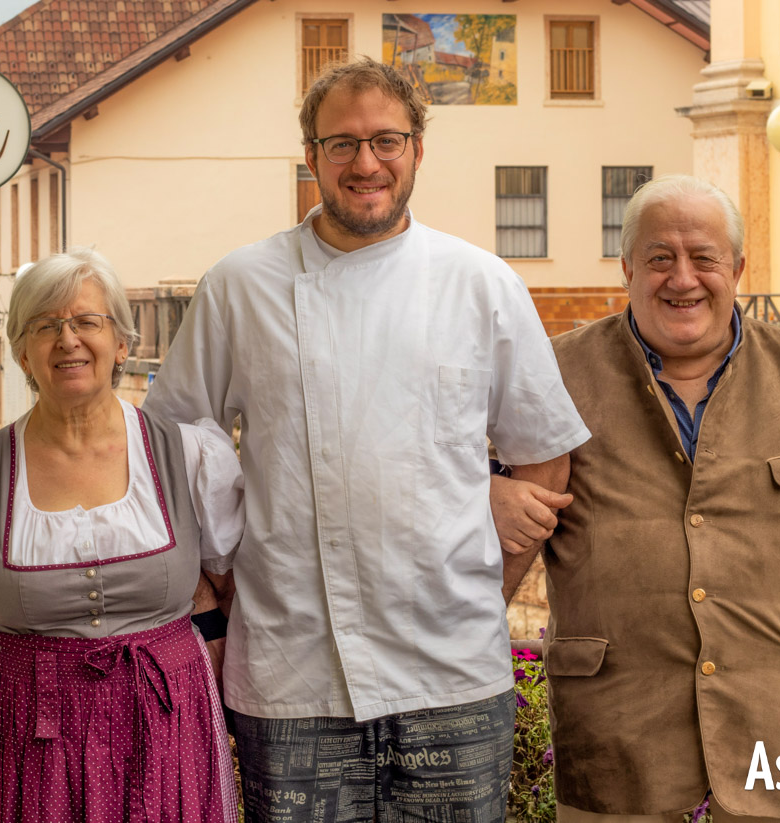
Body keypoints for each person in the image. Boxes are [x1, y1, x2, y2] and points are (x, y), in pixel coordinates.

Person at [144, 57, 590, 821]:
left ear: (418, 147)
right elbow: (170, 448)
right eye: (342, 144)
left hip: (453, 673)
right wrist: (209, 596)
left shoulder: (480, 284)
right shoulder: (242, 284)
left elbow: (544, 450)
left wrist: (490, 587)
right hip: (291, 676)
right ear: (310, 156)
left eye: (387, 139)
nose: (365, 162)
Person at [544, 175, 780, 822]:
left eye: (703, 257)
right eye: (659, 257)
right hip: (619, 740)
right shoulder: (556, 375)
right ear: (627, 267)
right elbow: (490, 508)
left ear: (738, 267)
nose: (682, 277)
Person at [0, 248, 243, 823]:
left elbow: (229, 598)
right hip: (23, 743)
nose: (67, 339)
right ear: (23, 353)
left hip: (168, 738)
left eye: (85, 322)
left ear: (121, 343)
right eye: (45, 326)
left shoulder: (190, 458)